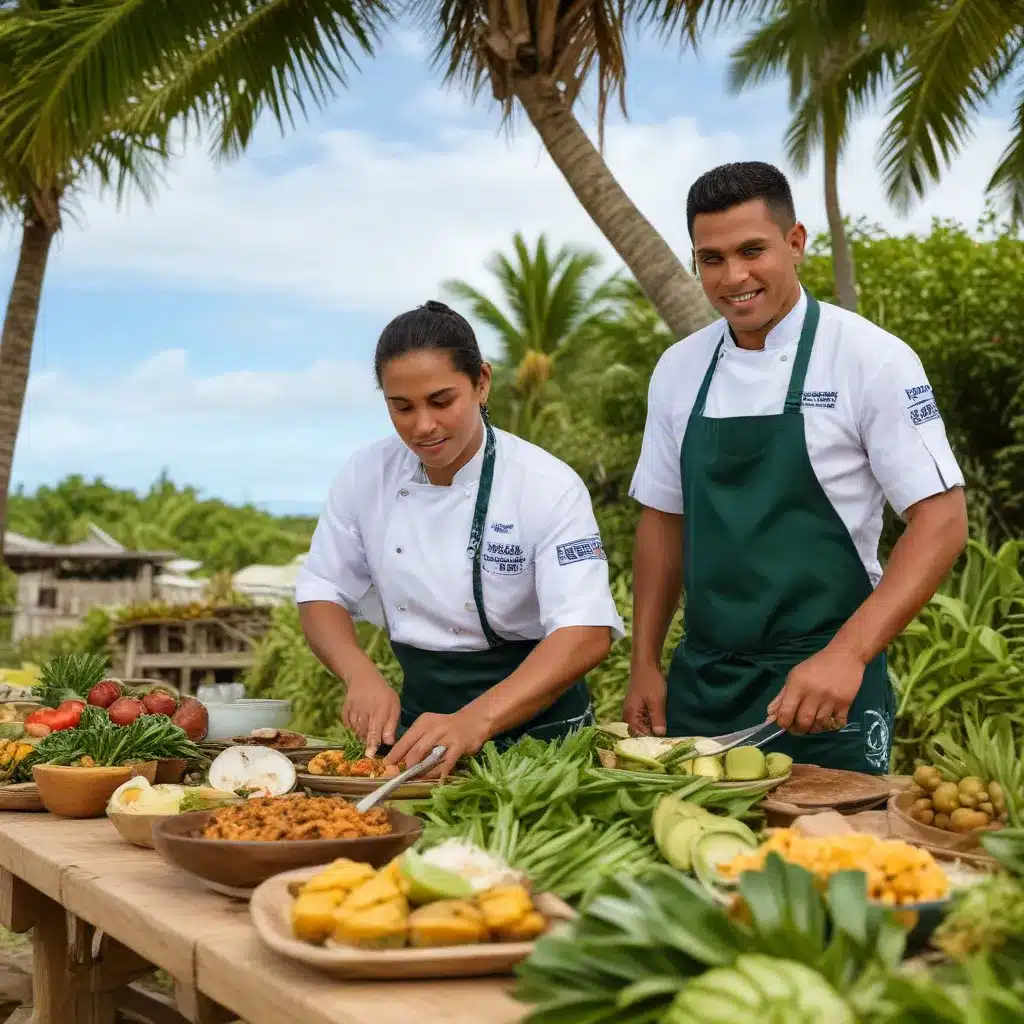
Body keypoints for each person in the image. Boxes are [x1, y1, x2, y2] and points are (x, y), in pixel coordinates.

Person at [624, 161, 968, 774]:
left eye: (752, 250)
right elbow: (661, 520)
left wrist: (847, 656)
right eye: (711, 258)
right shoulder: (677, 369)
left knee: (834, 856)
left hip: (826, 685)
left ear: (796, 241)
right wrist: (645, 662)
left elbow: (941, 522)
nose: (734, 277)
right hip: (702, 683)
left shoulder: (871, 359)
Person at [295, 300, 624, 776]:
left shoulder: (546, 484)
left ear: (482, 382)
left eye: (441, 401)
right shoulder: (366, 474)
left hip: (544, 739)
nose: (423, 426)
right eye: (401, 407)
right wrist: (359, 674)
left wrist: (475, 721)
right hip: (419, 732)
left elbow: (586, 631)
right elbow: (321, 589)